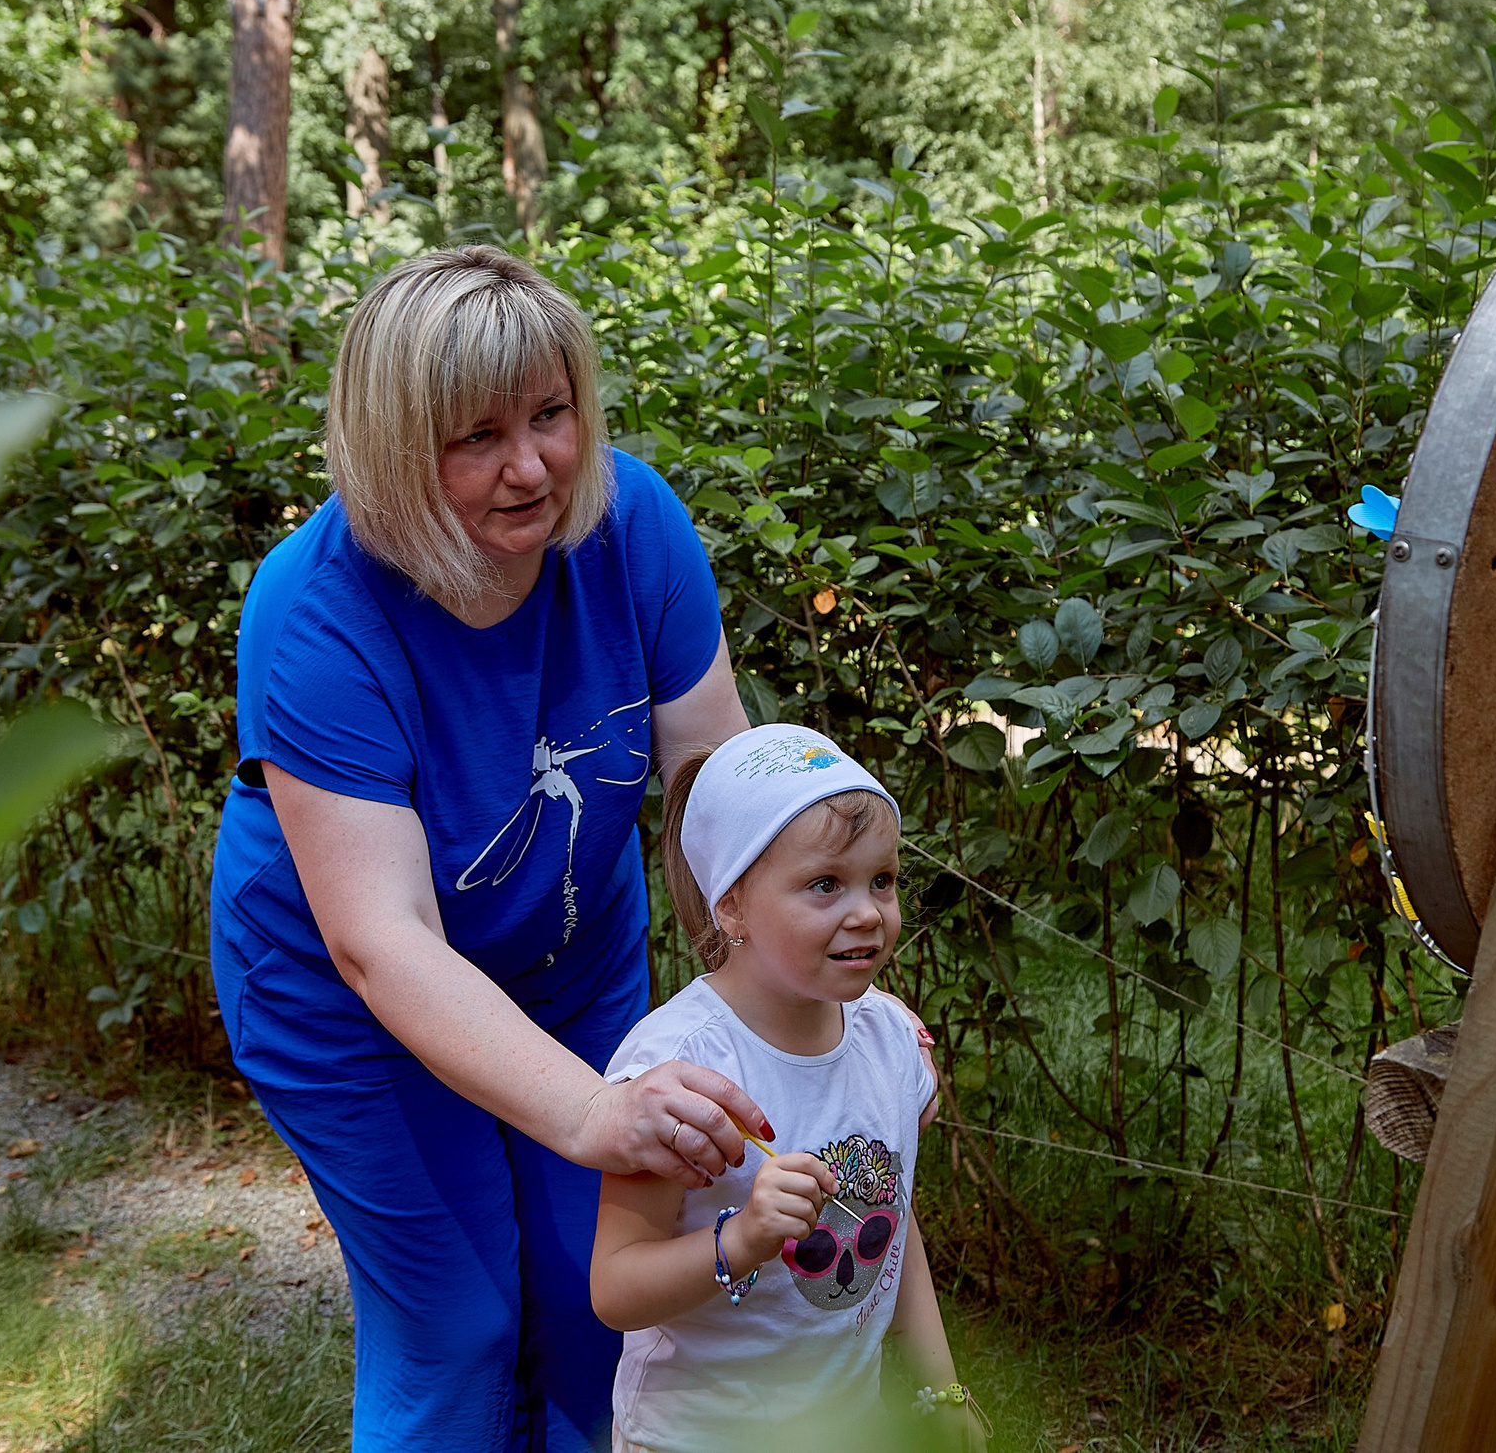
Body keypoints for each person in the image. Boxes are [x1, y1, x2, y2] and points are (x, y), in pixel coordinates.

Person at [211, 245, 766, 1451]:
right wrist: (588, 1114)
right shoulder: (314, 613)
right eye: (475, 437)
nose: (532, 467)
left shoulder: (635, 525)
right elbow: (382, 944)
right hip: (346, 1006)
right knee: (457, 1325)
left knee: (597, 1299)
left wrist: (805, 1004)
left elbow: (715, 797)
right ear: (391, 447)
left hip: (571, 965)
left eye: (552, 415)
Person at [589, 724, 983, 1452]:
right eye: (826, 883)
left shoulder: (886, 1041)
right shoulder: (679, 1071)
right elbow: (614, 1287)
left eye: (883, 880)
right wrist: (742, 1237)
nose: (866, 911)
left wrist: (941, 1390)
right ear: (731, 905)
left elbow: (893, 1227)